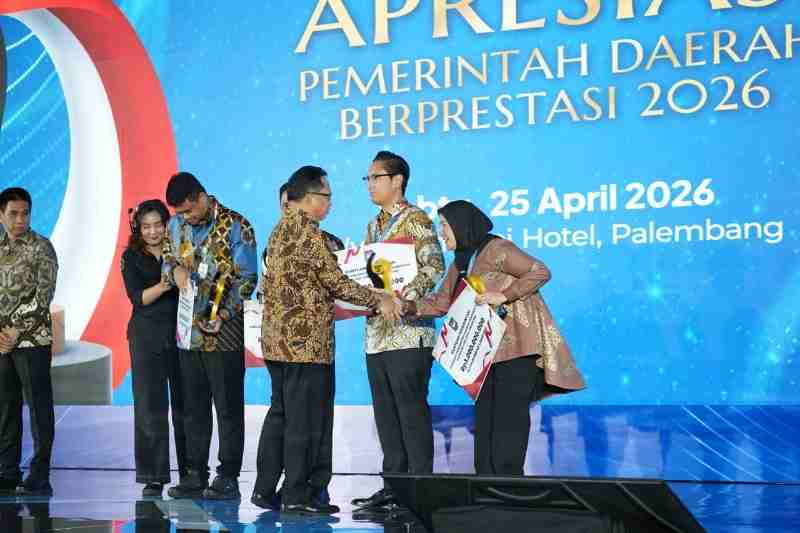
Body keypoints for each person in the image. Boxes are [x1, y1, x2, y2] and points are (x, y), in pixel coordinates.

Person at [254, 165, 400, 514]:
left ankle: (265, 488)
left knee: (282, 416)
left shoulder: (279, 229)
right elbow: (337, 283)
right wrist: (379, 298)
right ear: (309, 198)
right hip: (306, 347)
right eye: (327, 196)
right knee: (304, 422)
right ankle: (296, 495)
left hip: (277, 344)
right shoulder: (309, 234)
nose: (330, 203)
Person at [403, 200, 586, 475]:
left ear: (462, 226)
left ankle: (509, 487)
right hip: (484, 355)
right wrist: (408, 306)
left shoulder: (498, 249)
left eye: (445, 225)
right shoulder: (460, 263)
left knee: (509, 424)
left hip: (517, 351)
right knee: (486, 424)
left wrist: (504, 295)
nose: (441, 232)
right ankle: (486, 486)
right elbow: (441, 303)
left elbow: (540, 271)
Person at [352, 151, 445, 510]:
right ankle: (393, 485)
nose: (370, 185)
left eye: (376, 177)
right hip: (377, 336)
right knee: (386, 415)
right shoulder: (372, 226)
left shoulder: (416, 219)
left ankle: (420, 487)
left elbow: (434, 266)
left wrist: (403, 298)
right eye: (368, 179)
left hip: (408, 332)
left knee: (411, 413)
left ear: (397, 181)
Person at [161, 172, 258, 500]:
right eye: (180, 213)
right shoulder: (176, 226)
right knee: (193, 407)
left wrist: (225, 314)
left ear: (202, 197)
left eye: (189, 210)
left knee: (228, 408)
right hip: (187, 333)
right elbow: (167, 259)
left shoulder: (237, 226)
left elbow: (247, 279)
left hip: (224, 334)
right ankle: (194, 474)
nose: (185, 218)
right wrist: (174, 270)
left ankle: (227, 476)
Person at [120, 199, 186, 498]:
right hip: (146, 336)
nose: (153, 231)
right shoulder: (131, 257)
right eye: (146, 226)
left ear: (167, 224)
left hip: (182, 335)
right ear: (138, 228)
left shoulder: (182, 249)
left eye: (158, 225)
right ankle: (153, 476)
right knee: (150, 406)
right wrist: (166, 283)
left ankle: (191, 472)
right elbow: (138, 298)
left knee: (187, 405)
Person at [0, 187, 58, 496]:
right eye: (13, 214)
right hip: (1, 344)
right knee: (6, 408)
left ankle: (40, 474)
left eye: (25, 213)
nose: (20, 219)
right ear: (1, 215)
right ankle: (7, 472)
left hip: (32, 342)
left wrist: (14, 331)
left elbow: (43, 297)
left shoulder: (42, 248)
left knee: (38, 408)